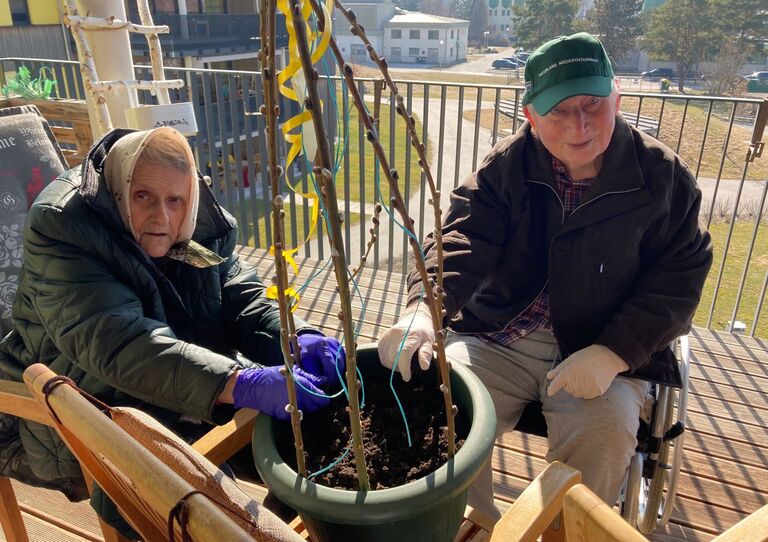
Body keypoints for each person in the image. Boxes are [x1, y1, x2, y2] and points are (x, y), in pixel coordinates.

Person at [378, 32, 712, 519]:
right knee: (443, 403)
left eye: (593, 105)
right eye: (559, 110)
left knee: (604, 436)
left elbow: (679, 277)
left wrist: (615, 352)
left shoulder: (663, 179)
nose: (579, 125)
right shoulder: (506, 167)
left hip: (602, 348)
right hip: (499, 336)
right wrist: (423, 311)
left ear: (617, 99)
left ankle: (561, 528)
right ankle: (471, 525)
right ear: (531, 116)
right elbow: (460, 240)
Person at [0, 127, 345, 503]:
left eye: (175, 200)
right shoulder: (62, 227)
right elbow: (120, 344)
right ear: (118, 189)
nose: (161, 216)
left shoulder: (200, 225)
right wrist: (239, 383)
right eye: (142, 195)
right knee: (202, 497)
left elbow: (239, 297)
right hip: (77, 407)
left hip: (176, 384)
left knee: (302, 440)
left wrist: (294, 338)